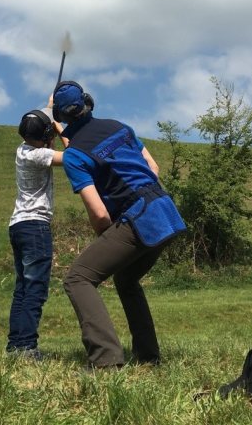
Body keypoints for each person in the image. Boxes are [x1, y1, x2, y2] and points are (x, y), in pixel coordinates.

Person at [52, 80, 187, 369]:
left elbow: (99, 214)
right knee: (126, 280)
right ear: (88, 102)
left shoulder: (75, 156)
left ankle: (105, 361)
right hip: (165, 211)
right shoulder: (118, 126)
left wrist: (107, 236)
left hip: (138, 218)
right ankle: (148, 358)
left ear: (60, 118)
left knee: (78, 278)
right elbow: (153, 167)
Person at [6, 97, 68, 359]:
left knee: (22, 288)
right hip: (35, 226)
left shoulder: (23, 149)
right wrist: (62, 129)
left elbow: (40, 119)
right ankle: (27, 348)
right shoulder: (39, 155)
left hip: (18, 225)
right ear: (46, 134)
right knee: (36, 290)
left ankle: (16, 347)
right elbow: (74, 156)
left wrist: (51, 103)